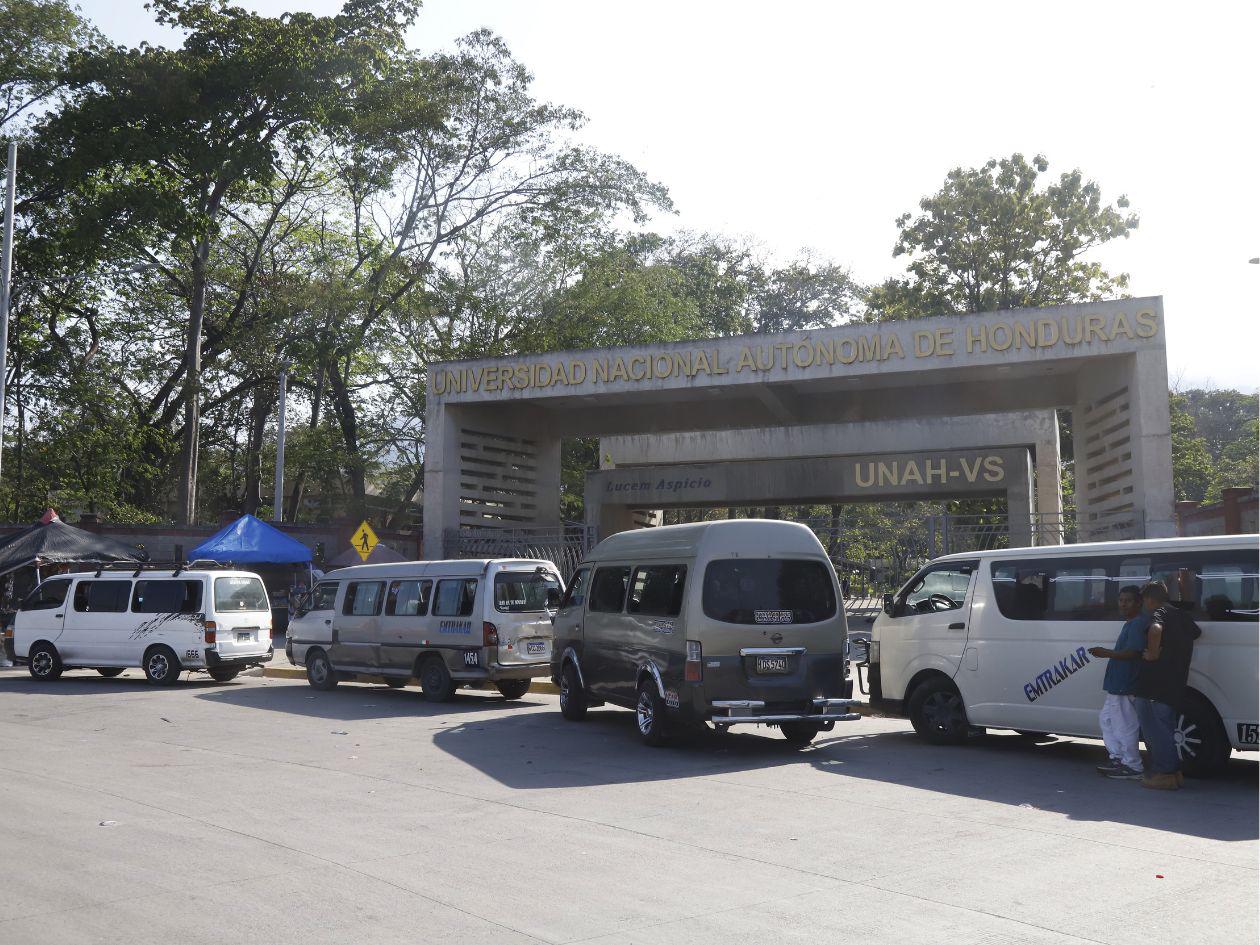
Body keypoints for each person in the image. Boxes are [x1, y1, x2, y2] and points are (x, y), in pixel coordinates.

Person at [1133, 580, 1203, 791]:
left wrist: (1153, 654)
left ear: (1149, 599)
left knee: (1155, 729)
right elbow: (1196, 633)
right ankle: (1173, 774)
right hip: (1175, 682)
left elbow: (1155, 629)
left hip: (1154, 684)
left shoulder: (1159, 613)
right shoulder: (1181, 615)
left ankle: (1164, 773)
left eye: (1144, 600)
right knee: (1167, 727)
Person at [1087, 585, 1150, 780]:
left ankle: (1132, 765)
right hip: (1117, 684)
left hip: (1126, 683)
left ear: (1138, 602)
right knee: (1107, 720)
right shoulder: (1131, 622)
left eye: (1128, 600)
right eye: (1121, 600)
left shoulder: (1138, 623)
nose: (1123, 604)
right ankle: (1118, 758)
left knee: (1125, 725)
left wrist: (1105, 653)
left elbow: (1134, 652)